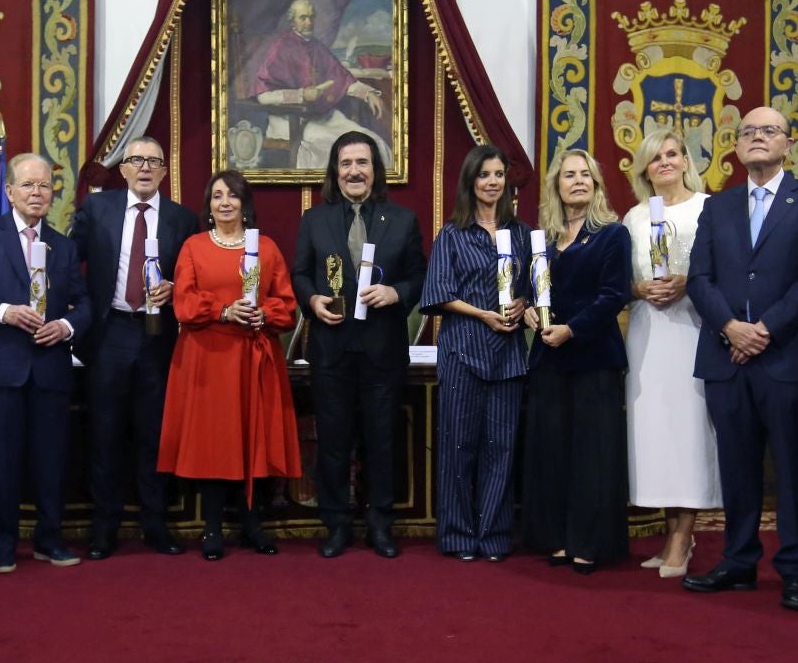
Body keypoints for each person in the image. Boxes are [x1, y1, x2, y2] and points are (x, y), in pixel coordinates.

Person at [681, 108, 798, 610]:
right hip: (726, 355)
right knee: (737, 466)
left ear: (788, 144)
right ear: (737, 146)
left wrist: (766, 329)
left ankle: (795, 570)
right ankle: (739, 560)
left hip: (785, 353)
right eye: (747, 132)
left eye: (768, 131)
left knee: (792, 468)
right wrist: (730, 327)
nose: (756, 138)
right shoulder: (718, 207)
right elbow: (698, 277)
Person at [0, 153, 92, 572]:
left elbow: (84, 303)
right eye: (27, 185)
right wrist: (4, 312)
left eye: (44, 186)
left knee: (51, 461)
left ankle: (50, 539)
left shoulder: (64, 246)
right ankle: (2, 543)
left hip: (48, 370)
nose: (36, 193)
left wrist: (65, 326)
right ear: (9, 191)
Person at [290, 132, 426, 559]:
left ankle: (380, 524)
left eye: (362, 163)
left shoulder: (402, 220)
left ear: (375, 170)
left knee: (382, 439)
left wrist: (397, 293)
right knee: (333, 439)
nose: (354, 171)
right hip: (331, 348)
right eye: (346, 163)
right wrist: (311, 300)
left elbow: (420, 276)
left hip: (382, 348)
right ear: (335, 170)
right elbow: (300, 274)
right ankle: (336, 524)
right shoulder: (315, 220)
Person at [159, 171, 300, 560]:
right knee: (215, 442)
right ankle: (211, 529)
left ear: (244, 203)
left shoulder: (267, 248)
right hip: (209, 358)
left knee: (252, 438)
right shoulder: (193, 247)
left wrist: (263, 316)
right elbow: (183, 303)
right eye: (216, 195)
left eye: (232, 196)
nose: (224, 202)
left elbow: (286, 304)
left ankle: (253, 526)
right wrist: (223, 310)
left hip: (255, 356)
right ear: (208, 205)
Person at [70, 136, 198, 558]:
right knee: (104, 432)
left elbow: (193, 277)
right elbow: (70, 265)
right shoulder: (97, 209)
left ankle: (154, 523)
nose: (145, 168)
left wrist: (175, 288)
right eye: (136, 160)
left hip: (158, 336)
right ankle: (104, 527)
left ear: (164, 171)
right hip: (108, 333)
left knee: (152, 433)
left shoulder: (183, 219)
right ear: (123, 169)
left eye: (154, 162)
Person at [522, 149, 631, 574]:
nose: (578, 181)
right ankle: (560, 538)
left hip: (593, 357)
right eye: (569, 175)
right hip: (549, 359)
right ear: (557, 185)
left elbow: (613, 295)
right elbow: (535, 293)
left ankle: (589, 543)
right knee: (555, 452)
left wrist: (573, 329)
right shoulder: (544, 240)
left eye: (586, 174)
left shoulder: (612, 234)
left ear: (597, 184)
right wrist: (530, 311)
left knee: (592, 454)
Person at [420, 145, 529, 561]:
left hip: (508, 354)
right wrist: (483, 314)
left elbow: (535, 289)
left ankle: (496, 535)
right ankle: (460, 535)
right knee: (458, 446)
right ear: (471, 181)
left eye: (499, 174)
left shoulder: (521, 234)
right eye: (484, 175)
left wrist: (521, 302)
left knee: (502, 446)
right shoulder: (451, 234)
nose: (492, 182)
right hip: (463, 350)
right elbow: (437, 294)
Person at [621, 127, 720, 578]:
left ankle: (684, 535)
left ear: (686, 161)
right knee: (655, 435)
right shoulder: (635, 218)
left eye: (673, 154)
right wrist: (637, 288)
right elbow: (620, 280)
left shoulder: (709, 208)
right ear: (644, 168)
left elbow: (725, 269)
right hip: (648, 332)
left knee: (689, 433)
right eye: (655, 157)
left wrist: (688, 282)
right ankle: (671, 533)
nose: (665, 162)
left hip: (693, 329)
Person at [253, 0, 387, 168]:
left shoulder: (318, 47)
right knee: (337, 150)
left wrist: (368, 94)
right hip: (290, 121)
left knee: (371, 143)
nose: (309, 22)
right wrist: (301, 95)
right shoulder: (280, 48)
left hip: (322, 117)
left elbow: (344, 80)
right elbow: (263, 96)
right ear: (292, 20)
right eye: (303, 18)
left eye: (311, 17)